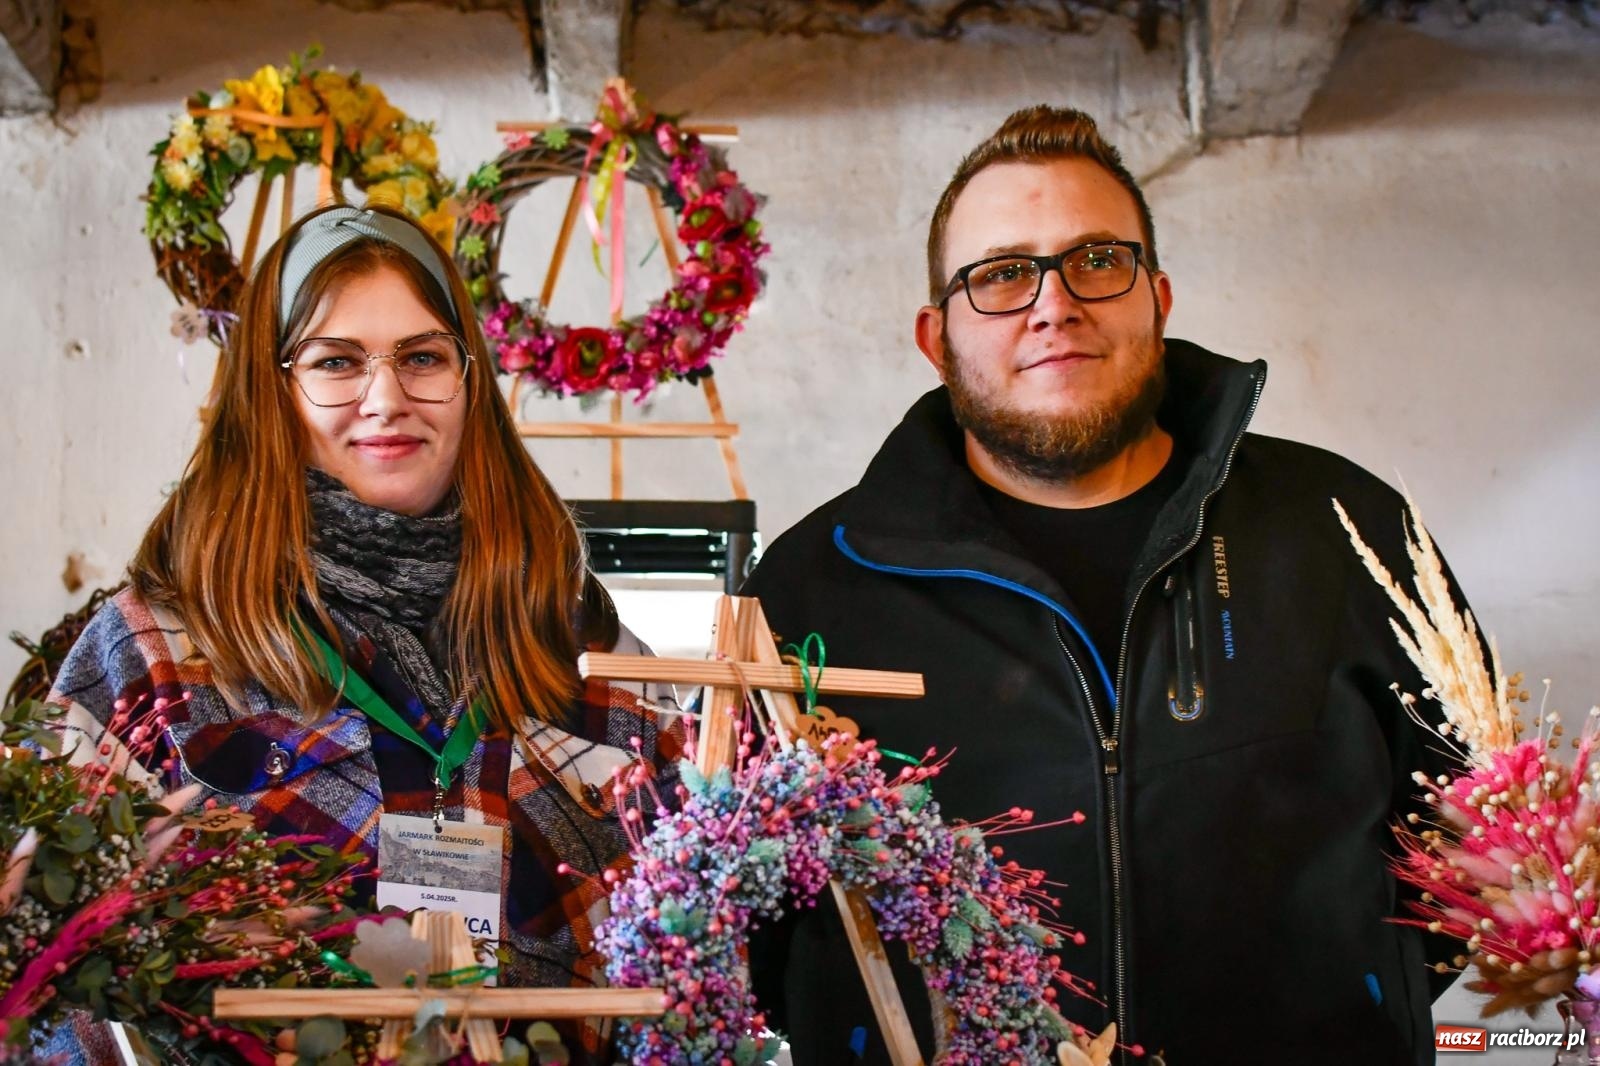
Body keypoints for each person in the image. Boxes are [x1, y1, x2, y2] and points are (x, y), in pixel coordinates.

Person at [743, 106, 1466, 1065]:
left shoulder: (1343, 527)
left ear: (1158, 299)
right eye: (1001, 274)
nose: (1053, 304)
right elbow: (758, 922)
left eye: (1096, 260)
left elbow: (1470, 851)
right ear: (935, 336)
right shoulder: (810, 584)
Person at [47, 204, 680, 1063]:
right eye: (336, 363)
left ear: (467, 380)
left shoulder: (575, 635)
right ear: (272, 390)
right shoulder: (153, 655)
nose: (387, 400)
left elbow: (693, 948)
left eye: (422, 358)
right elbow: (47, 998)